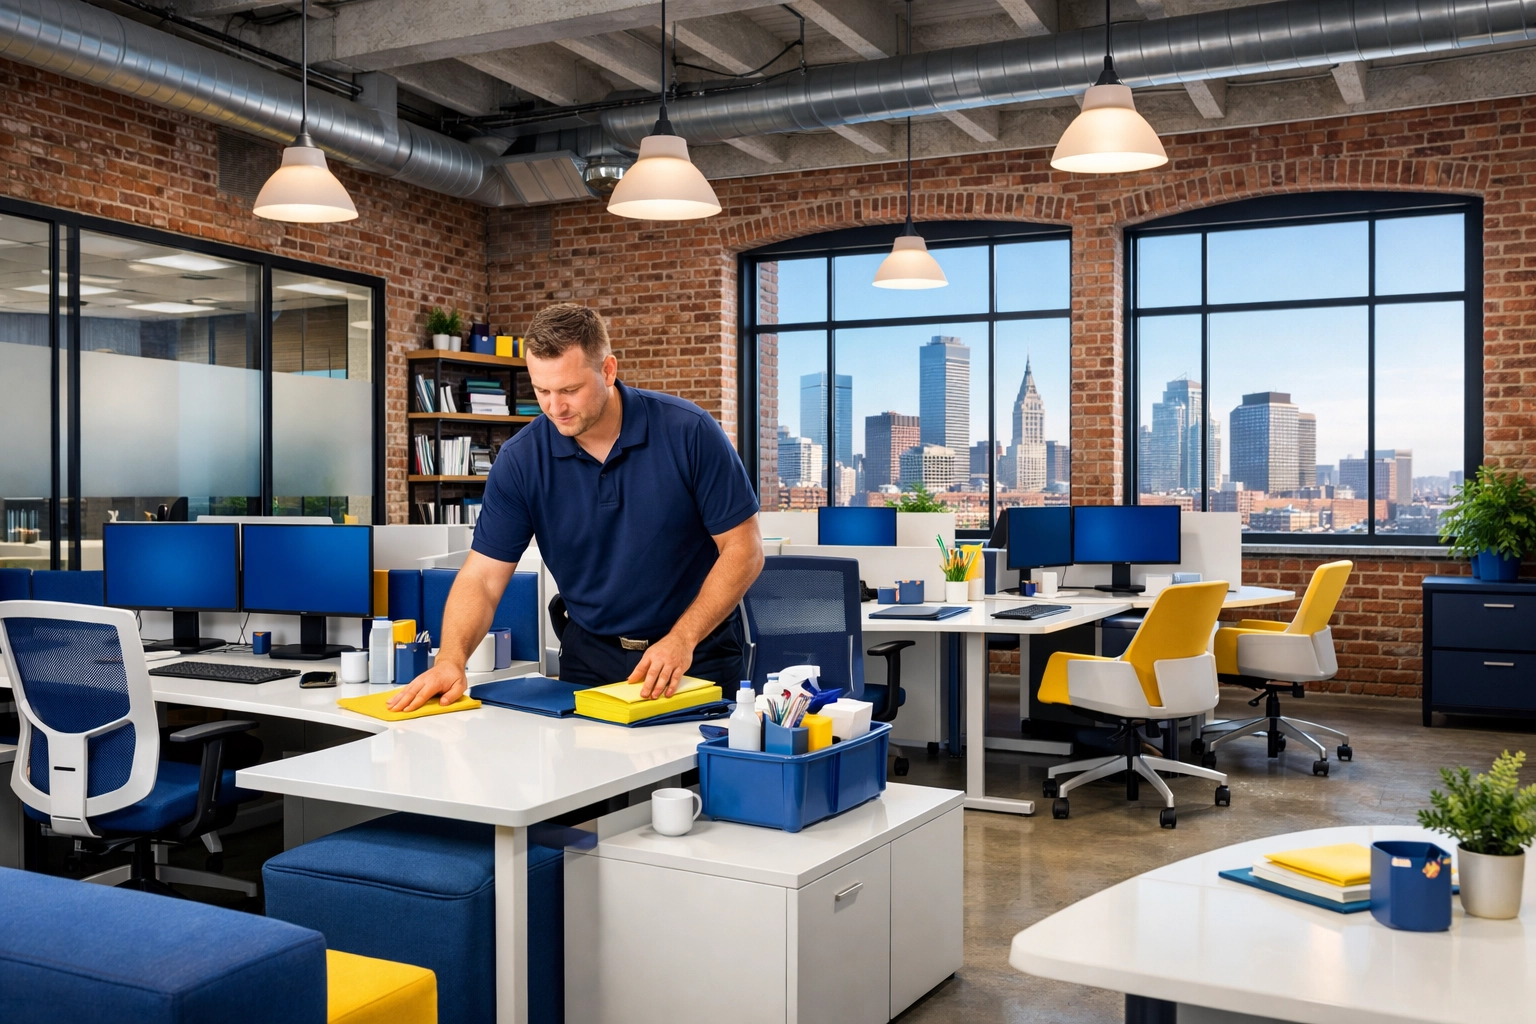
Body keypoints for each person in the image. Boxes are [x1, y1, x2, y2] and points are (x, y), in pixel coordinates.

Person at [389, 303, 764, 711]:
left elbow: (744, 550)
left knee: (690, 774)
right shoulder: (521, 460)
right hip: (589, 657)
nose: (554, 407)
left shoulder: (688, 431)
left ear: (607, 370)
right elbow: (482, 576)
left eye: (569, 390)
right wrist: (450, 659)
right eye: (541, 391)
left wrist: (683, 638)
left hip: (694, 651)